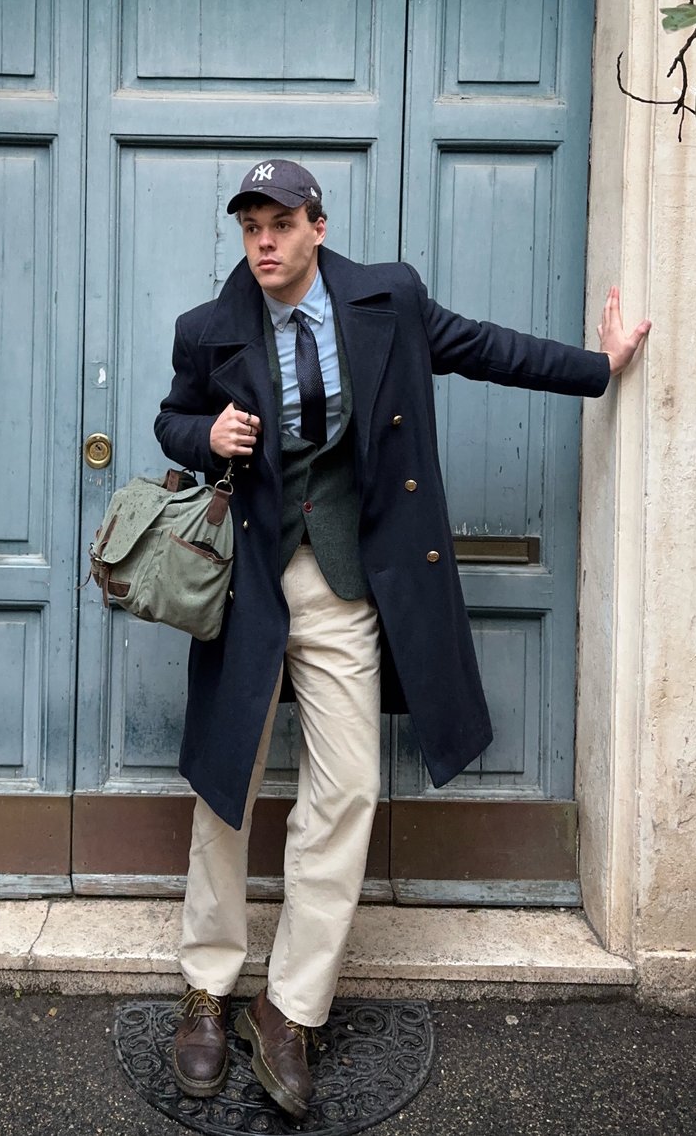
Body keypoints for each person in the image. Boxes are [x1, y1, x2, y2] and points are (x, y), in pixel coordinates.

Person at [154, 159, 650, 1119]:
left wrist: (602, 364)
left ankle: (289, 1008)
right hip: (250, 584)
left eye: (279, 223)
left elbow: (487, 347)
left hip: (346, 585)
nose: (262, 241)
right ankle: (206, 990)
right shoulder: (208, 329)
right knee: (227, 782)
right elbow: (170, 422)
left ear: (317, 226)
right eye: (249, 225)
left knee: (351, 787)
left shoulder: (388, 299)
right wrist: (203, 436)